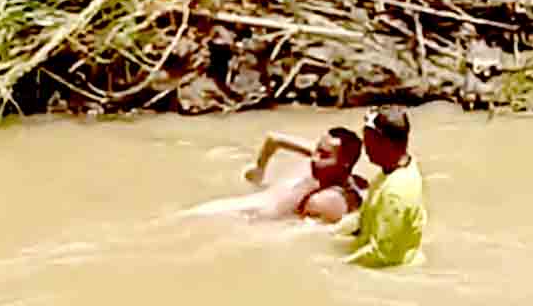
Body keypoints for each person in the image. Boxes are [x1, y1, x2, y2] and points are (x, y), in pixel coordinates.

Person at [179, 128, 367, 223]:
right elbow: (274, 138)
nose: (314, 157)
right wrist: (259, 170)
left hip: (247, 219)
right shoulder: (323, 161)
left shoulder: (333, 196)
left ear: (345, 163)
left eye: (323, 155)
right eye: (317, 149)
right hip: (240, 214)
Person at [333, 104, 427, 268]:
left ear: (385, 143)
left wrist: (336, 265)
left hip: (393, 271)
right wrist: (331, 232)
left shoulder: (396, 192)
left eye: (368, 140)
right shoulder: (395, 169)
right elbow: (365, 217)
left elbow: (382, 254)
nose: (364, 146)